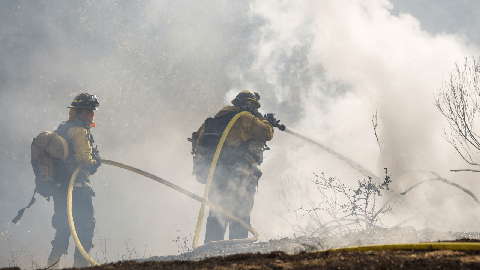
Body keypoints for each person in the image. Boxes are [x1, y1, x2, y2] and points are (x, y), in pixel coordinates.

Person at [193, 90, 275, 243]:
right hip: (240, 174)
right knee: (240, 212)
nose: (255, 110)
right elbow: (267, 133)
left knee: (217, 212)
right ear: (249, 104)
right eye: (254, 107)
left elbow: (198, 140)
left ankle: (210, 250)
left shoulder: (216, 119)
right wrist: (266, 120)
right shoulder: (246, 118)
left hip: (216, 174)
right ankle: (237, 249)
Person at [46, 93, 101, 268]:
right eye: (87, 112)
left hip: (61, 190)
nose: (90, 116)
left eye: (92, 112)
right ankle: (81, 265)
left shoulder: (63, 127)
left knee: (62, 231)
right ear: (78, 112)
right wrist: (95, 162)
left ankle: (51, 265)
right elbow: (85, 160)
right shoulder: (79, 130)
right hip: (78, 190)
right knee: (84, 231)